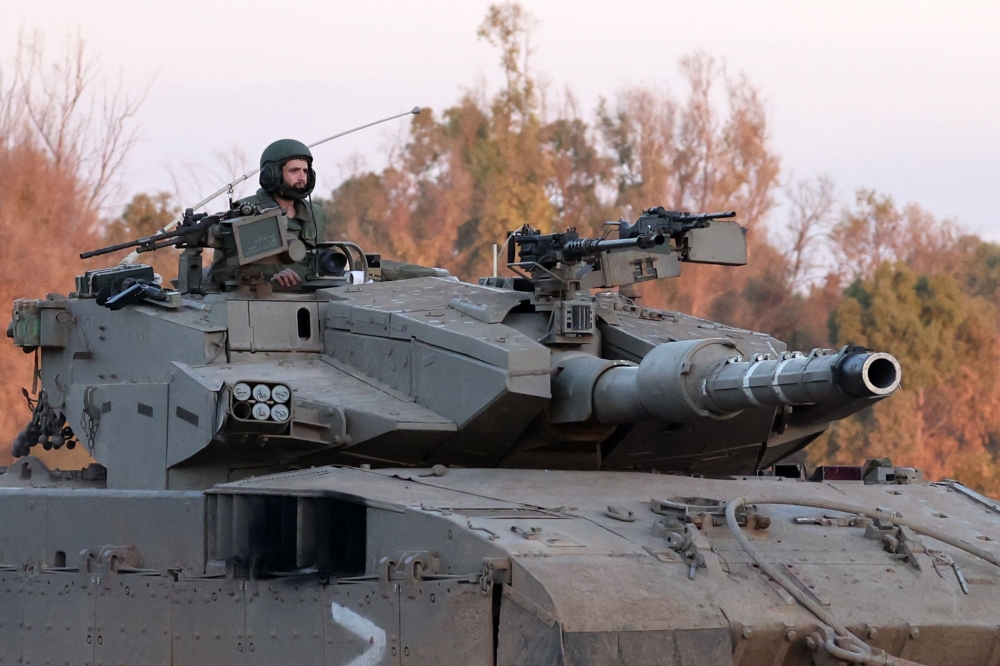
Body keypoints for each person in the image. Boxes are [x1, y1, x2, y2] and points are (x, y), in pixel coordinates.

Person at [211, 139, 328, 287]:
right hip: (261, 295)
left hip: (311, 294)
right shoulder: (244, 212)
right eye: (294, 171)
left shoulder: (315, 214)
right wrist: (267, 277)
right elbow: (222, 272)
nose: (302, 178)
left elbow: (323, 260)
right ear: (272, 175)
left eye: (305, 171)